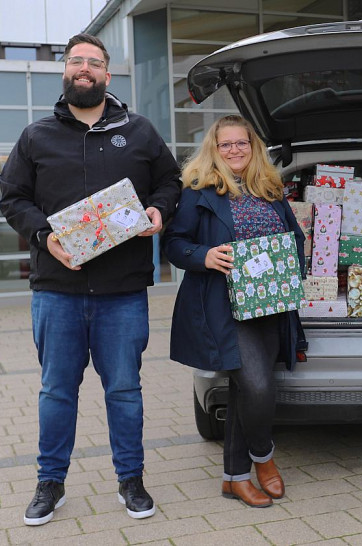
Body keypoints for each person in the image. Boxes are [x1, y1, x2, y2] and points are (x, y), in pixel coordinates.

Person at [0, 34, 181, 525]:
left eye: (93, 62)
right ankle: (50, 483)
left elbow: (170, 180)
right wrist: (44, 236)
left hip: (122, 293)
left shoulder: (139, 131)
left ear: (106, 74)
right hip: (56, 291)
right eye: (76, 61)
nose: (84, 68)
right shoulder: (36, 136)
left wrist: (159, 209)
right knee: (56, 391)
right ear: (65, 72)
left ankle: (131, 480)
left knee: (124, 390)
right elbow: (12, 197)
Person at [162, 115, 306, 508]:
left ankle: (234, 479)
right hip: (223, 305)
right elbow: (174, 243)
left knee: (247, 390)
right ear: (214, 148)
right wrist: (204, 255)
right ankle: (264, 457)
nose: (234, 151)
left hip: (271, 304)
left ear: (253, 146)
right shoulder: (198, 189)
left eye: (241, 143)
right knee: (258, 386)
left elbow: (295, 238)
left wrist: (295, 273)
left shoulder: (270, 188)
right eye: (225, 145)